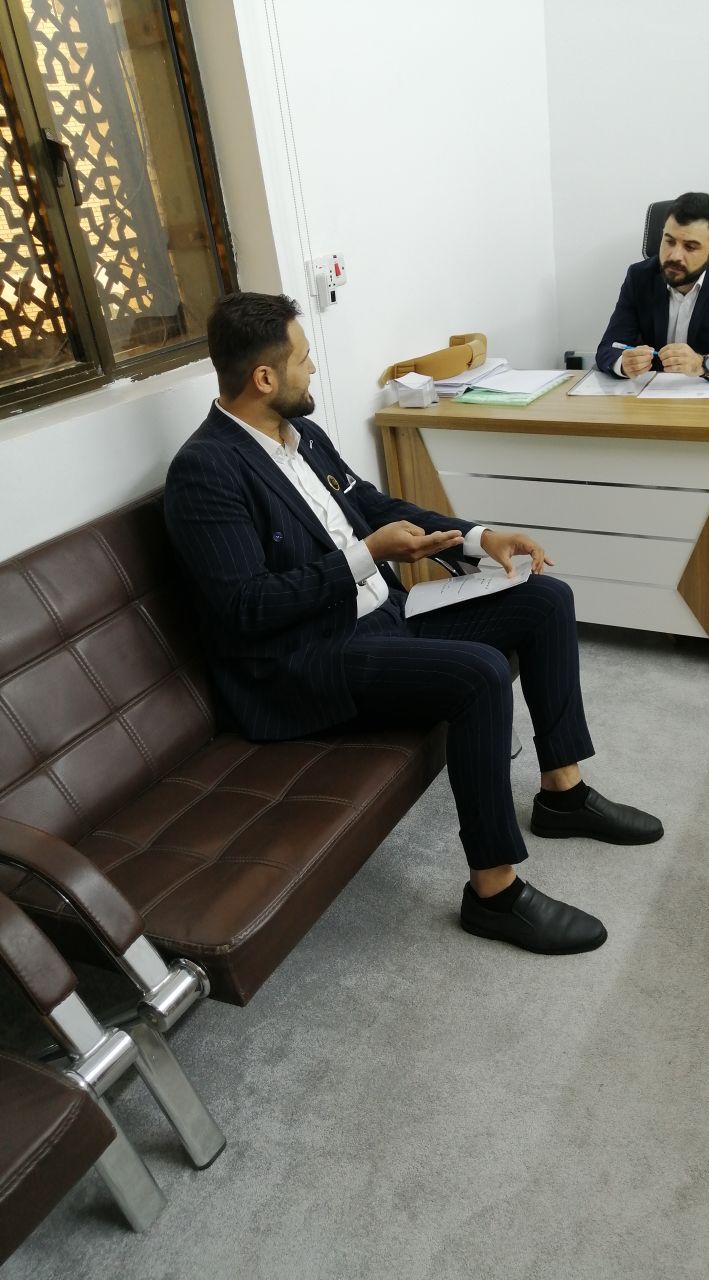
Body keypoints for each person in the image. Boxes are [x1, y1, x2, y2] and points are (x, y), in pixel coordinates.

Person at [164, 292, 664, 957]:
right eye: (303, 360)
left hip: (384, 617)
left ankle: (562, 796)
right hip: (303, 662)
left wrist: (478, 537)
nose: (312, 370)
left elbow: (372, 506)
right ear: (263, 378)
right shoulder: (205, 471)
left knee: (545, 599)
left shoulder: (302, 437)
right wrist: (366, 555)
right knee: (479, 675)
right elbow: (247, 608)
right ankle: (494, 893)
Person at [595, 191, 709, 384]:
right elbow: (609, 347)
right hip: (653, 394)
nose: (674, 256)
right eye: (669, 241)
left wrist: (703, 364)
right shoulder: (640, 276)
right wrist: (623, 364)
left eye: (690, 247)